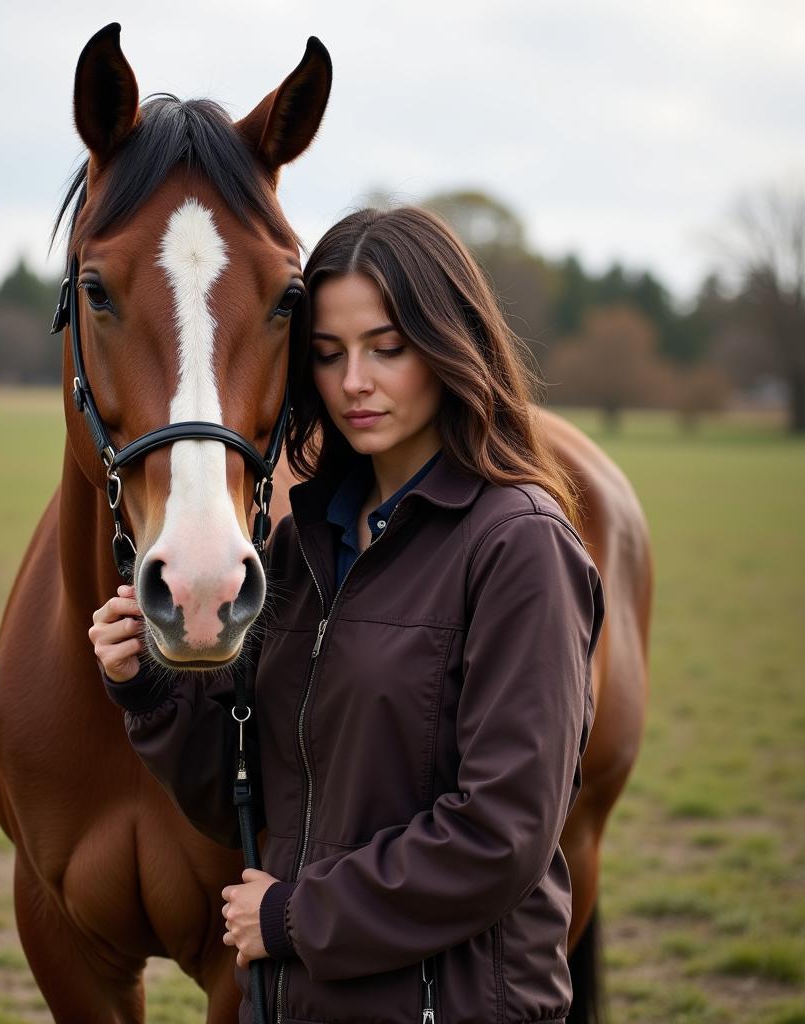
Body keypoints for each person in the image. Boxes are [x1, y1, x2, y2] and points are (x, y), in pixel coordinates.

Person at [88, 205, 605, 1024]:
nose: (353, 382)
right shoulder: (300, 550)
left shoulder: (520, 547)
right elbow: (248, 798)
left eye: (386, 349)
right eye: (327, 355)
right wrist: (149, 693)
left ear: (449, 345)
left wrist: (297, 918)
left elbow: (502, 835)